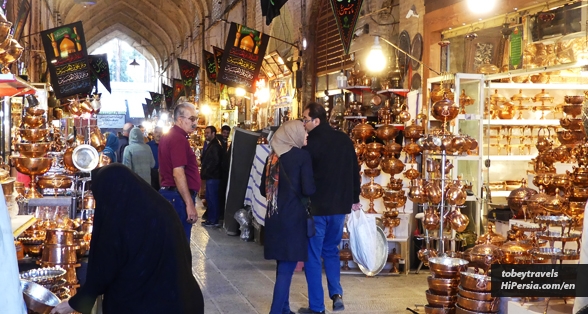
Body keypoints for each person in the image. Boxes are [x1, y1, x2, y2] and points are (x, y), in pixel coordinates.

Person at [49, 164, 204, 314]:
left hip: (147, 305)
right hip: (183, 299)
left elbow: (103, 271)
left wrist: (74, 304)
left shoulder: (121, 219)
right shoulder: (160, 207)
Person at [299, 102, 360, 314]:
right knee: (331, 251)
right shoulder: (344, 139)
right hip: (339, 208)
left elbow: (304, 178)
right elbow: (355, 170)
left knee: (313, 256)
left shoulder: (308, 144)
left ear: (316, 121)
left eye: (305, 120)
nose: (303, 124)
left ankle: (316, 307)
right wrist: (354, 197)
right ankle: (336, 295)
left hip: (316, 208)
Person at [259, 120, 315, 314]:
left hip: (274, 218)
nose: (306, 135)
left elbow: (262, 190)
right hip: (293, 219)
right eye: (304, 132)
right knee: (286, 268)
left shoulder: (272, 157)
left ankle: (284, 309)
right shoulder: (302, 157)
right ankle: (276, 311)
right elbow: (308, 188)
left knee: (282, 264)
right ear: (294, 135)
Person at [158, 102, 200, 241]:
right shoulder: (178, 139)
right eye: (192, 119)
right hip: (178, 198)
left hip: (171, 194)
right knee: (179, 243)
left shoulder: (169, 136)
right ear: (180, 120)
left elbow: (162, 170)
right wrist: (189, 204)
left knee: (172, 242)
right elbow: (178, 173)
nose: (195, 123)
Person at [200, 126, 224, 228]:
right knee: (210, 198)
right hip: (211, 176)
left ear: (213, 133)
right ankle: (211, 219)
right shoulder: (211, 145)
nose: (206, 134)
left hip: (213, 177)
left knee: (212, 198)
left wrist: (207, 171)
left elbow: (215, 162)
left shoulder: (215, 146)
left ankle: (214, 220)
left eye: (208, 133)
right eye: (205, 133)